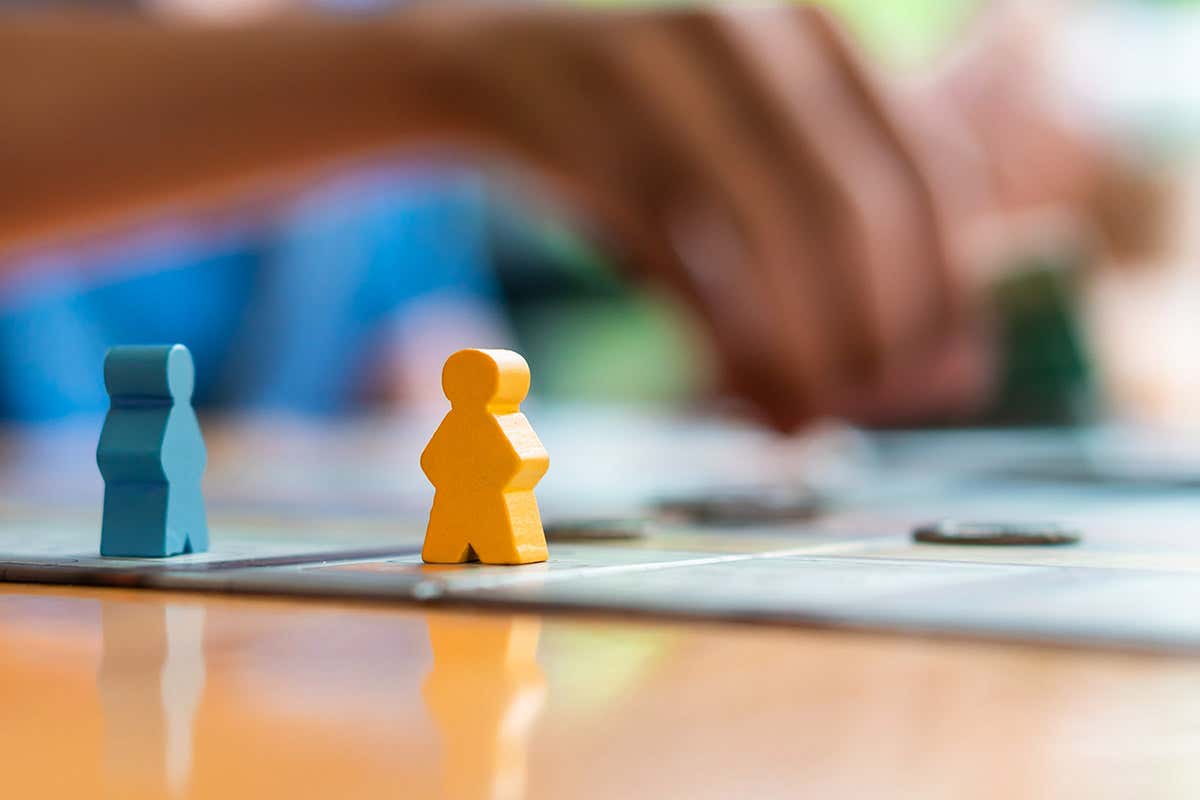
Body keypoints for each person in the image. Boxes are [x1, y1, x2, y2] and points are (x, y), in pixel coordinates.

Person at [0, 3, 1108, 430]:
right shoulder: (416, 65)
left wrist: (725, 408)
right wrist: (433, 74)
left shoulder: (383, 67)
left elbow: (431, 374)